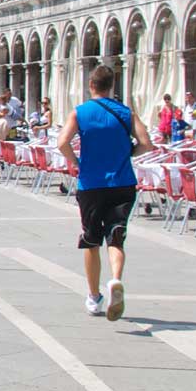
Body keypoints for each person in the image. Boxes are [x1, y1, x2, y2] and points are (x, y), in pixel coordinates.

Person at [57, 64, 151, 322]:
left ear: (91, 85)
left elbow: (62, 142)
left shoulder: (80, 112)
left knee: (91, 240)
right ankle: (116, 280)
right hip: (122, 183)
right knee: (116, 237)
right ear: (112, 86)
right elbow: (146, 143)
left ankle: (93, 295)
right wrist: (128, 154)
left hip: (91, 184)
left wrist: (74, 161)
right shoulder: (126, 113)